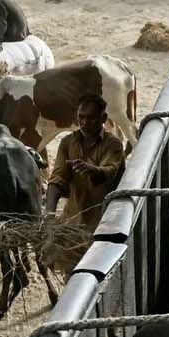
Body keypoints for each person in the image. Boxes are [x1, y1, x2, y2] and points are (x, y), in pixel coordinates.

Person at [46, 94, 127, 235]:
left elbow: (108, 172)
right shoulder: (67, 143)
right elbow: (57, 180)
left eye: (91, 118)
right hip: (72, 221)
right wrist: (49, 214)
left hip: (103, 225)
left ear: (103, 118)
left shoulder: (113, 144)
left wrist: (91, 170)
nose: (84, 122)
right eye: (81, 117)